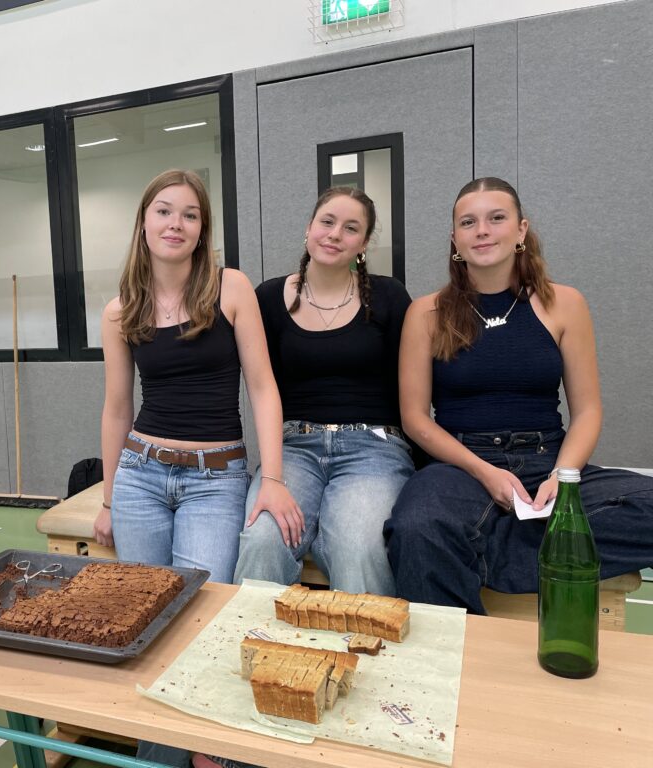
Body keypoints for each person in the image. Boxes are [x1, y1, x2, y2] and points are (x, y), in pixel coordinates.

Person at [96, 169, 298, 768]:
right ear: (144, 223)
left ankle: (209, 746)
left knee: (200, 617)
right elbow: (116, 408)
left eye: (189, 214)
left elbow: (263, 388)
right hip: (140, 475)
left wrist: (273, 478)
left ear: (202, 228)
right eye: (164, 211)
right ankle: (161, 757)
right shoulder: (121, 310)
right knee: (143, 621)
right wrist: (107, 498)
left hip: (216, 478)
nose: (175, 224)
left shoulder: (229, 288)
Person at [385, 177, 653, 613]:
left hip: (548, 459)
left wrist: (563, 479)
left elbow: (587, 411)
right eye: (468, 223)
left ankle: (481, 545)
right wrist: (485, 473)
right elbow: (415, 419)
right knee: (418, 526)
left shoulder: (565, 303)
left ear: (521, 230)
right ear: (455, 239)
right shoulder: (427, 312)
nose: (482, 231)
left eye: (496, 218)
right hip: (460, 467)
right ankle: (499, 557)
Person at [233, 187, 414, 596]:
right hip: (294, 447)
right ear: (309, 228)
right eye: (327, 222)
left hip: (373, 450)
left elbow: (412, 386)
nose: (335, 234)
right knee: (263, 538)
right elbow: (260, 386)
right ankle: (254, 634)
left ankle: (365, 637)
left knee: (359, 547)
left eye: (351, 228)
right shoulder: (268, 298)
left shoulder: (389, 296)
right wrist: (271, 477)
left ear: (363, 244)